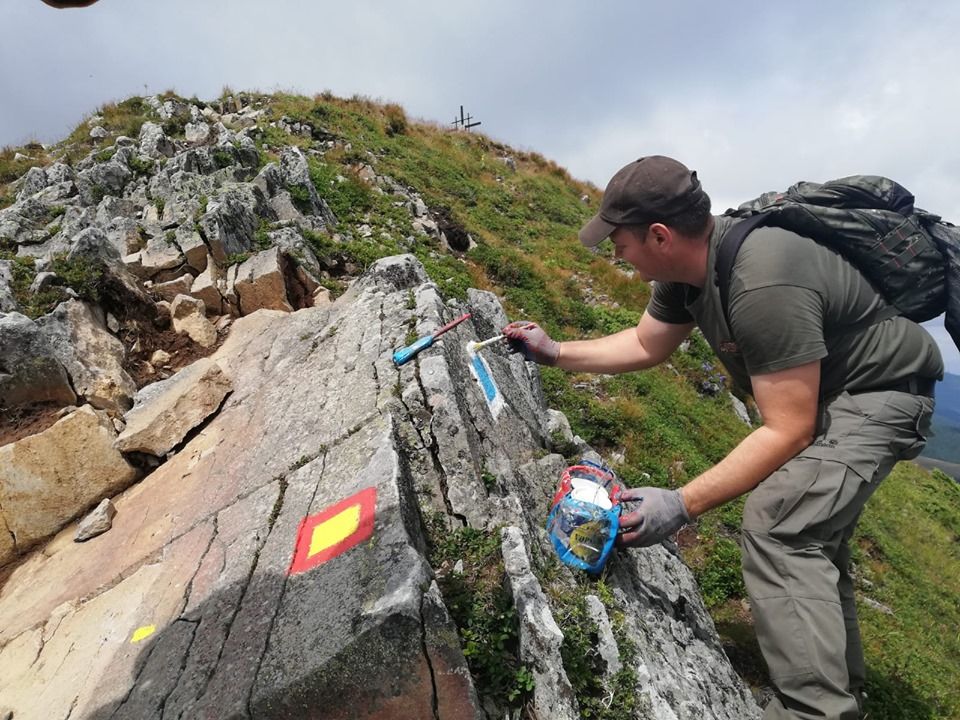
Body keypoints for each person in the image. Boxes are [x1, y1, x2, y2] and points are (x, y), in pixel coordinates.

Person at [503, 155, 942, 720]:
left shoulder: (761, 278)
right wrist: (556, 352)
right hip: (830, 394)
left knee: (780, 523)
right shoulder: (686, 274)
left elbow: (788, 428)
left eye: (620, 240)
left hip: (880, 394)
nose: (615, 252)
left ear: (659, 236)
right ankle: (841, 694)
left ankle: (814, 712)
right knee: (812, 533)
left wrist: (680, 504)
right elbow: (646, 344)